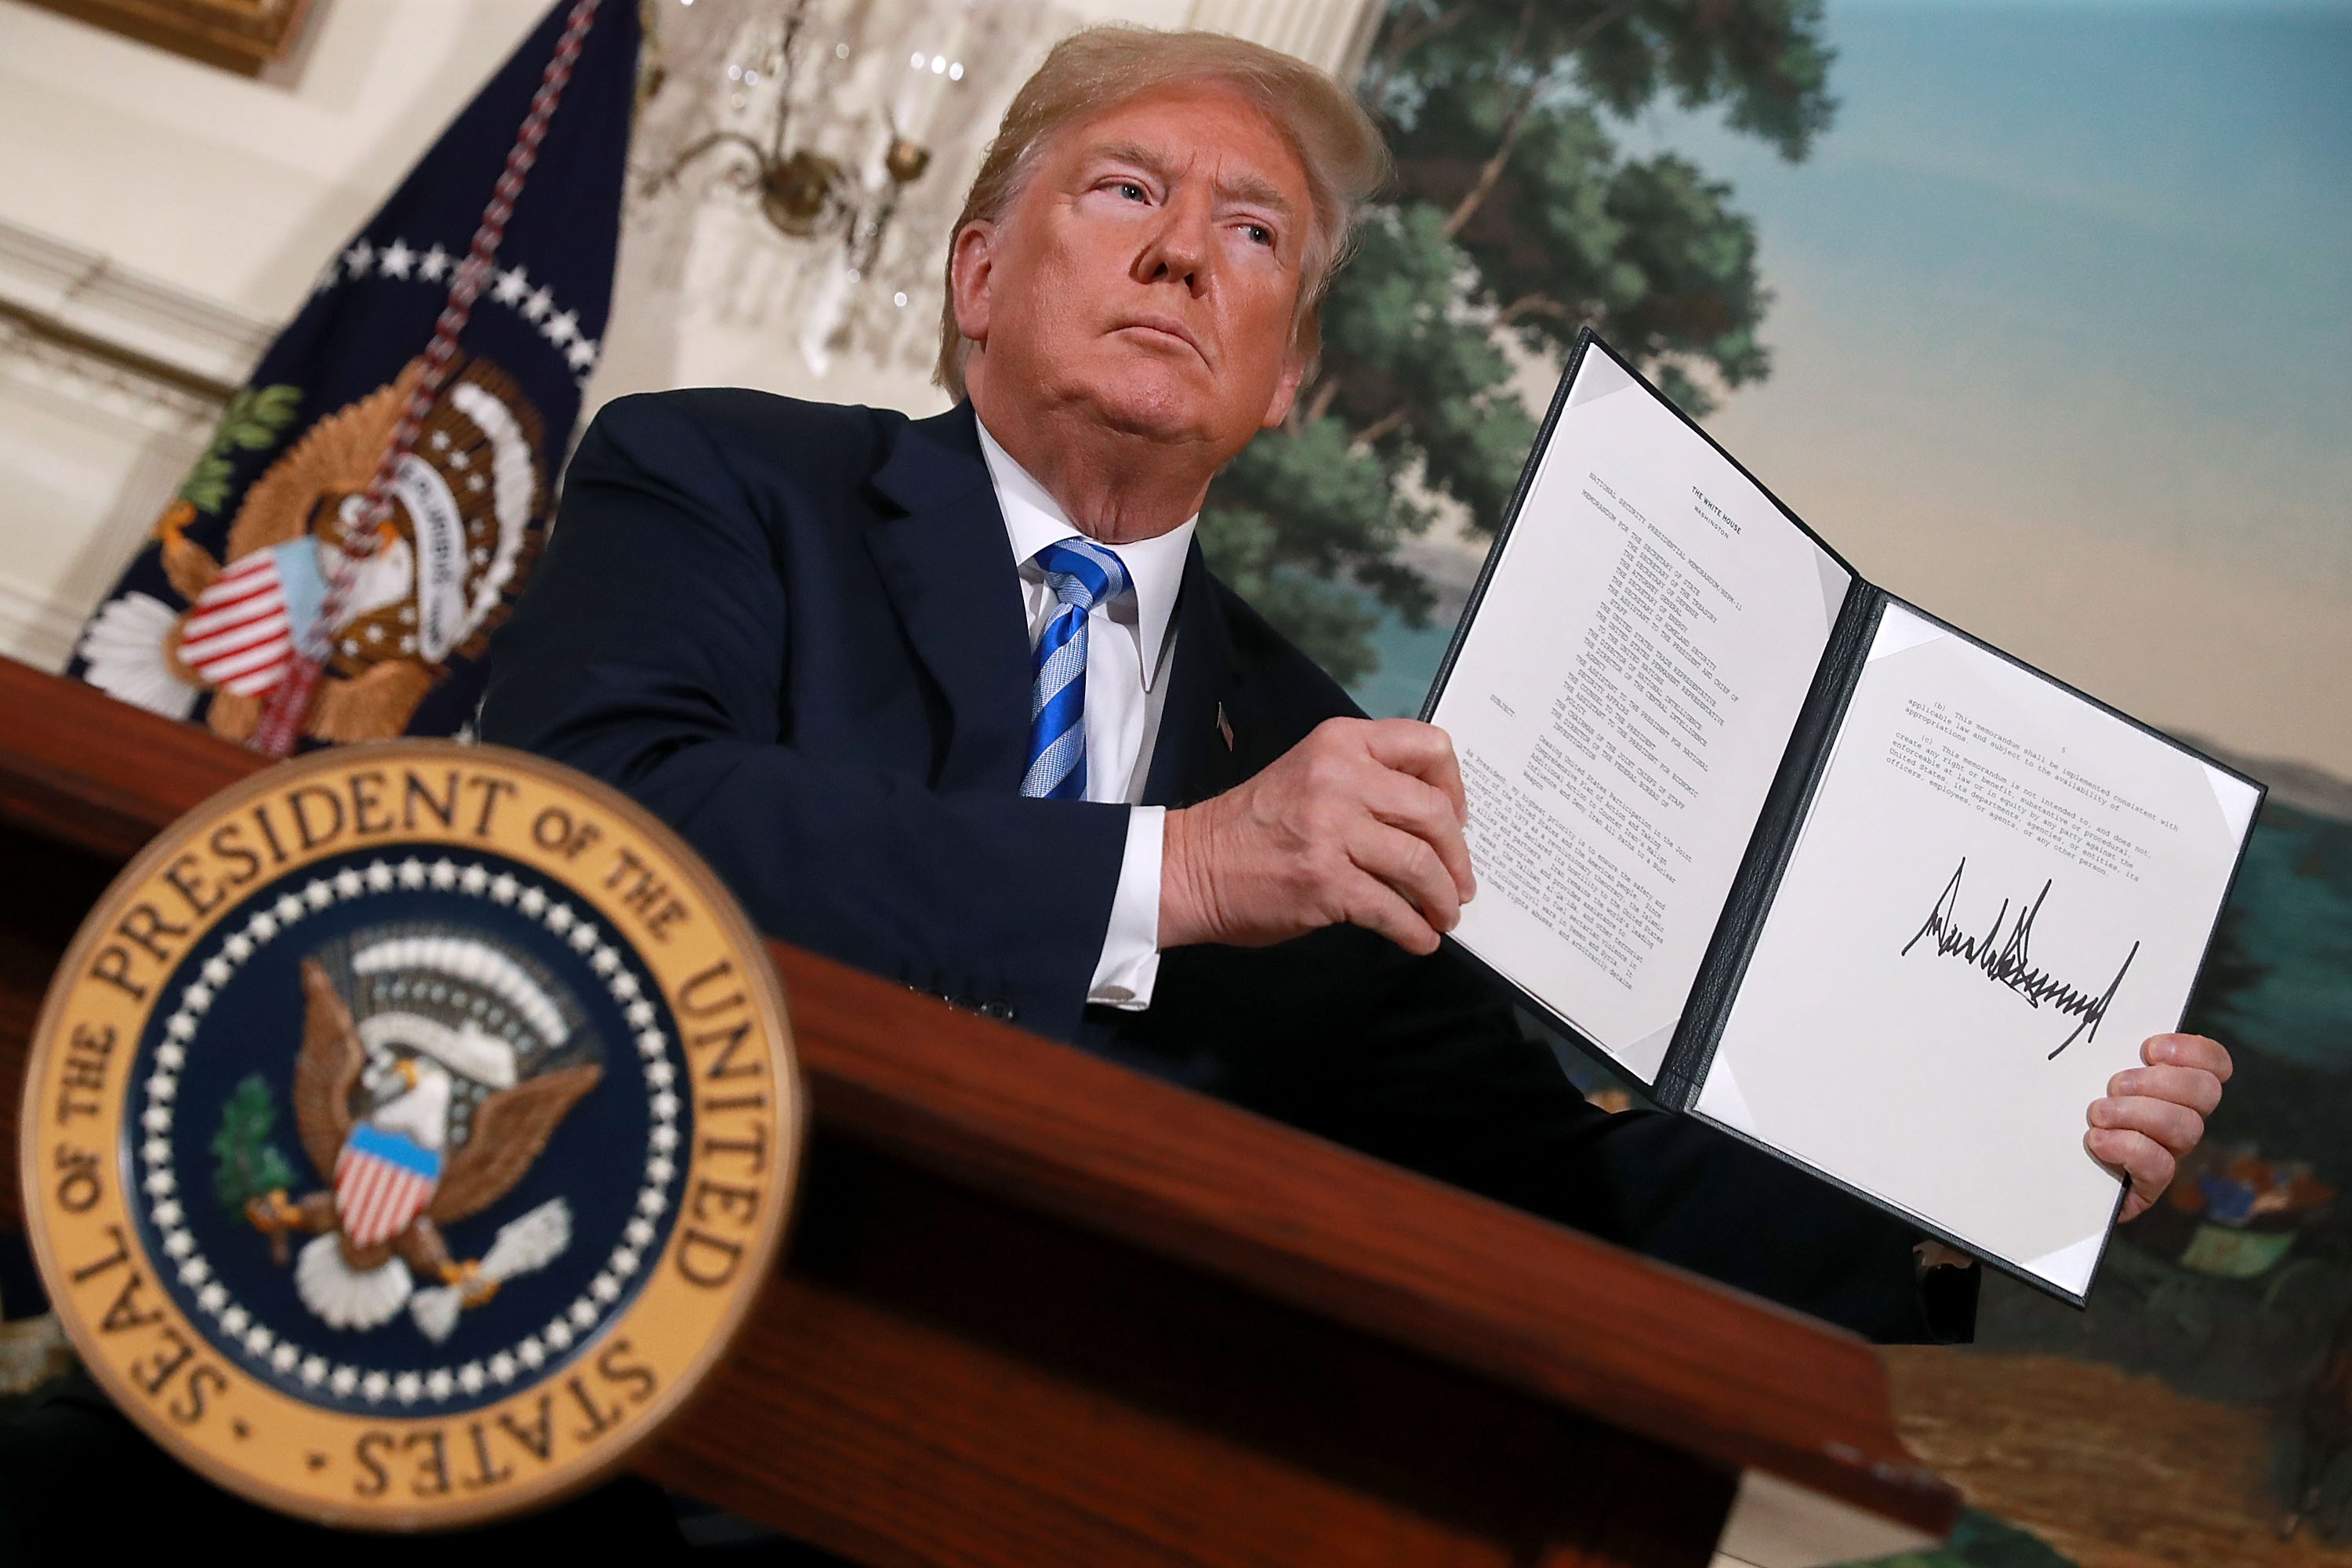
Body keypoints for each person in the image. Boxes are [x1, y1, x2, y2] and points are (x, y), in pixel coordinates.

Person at [481, 25, 2231, 1342]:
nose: (1183, 252)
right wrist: (1186, 869)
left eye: (1252, 233)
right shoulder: (722, 479)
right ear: (980, 274)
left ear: (1290, 383)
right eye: (1125, 191)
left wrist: (2004, 1153)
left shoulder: (1318, 756)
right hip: (617, 1333)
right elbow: (603, 825)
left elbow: (1550, 1181)